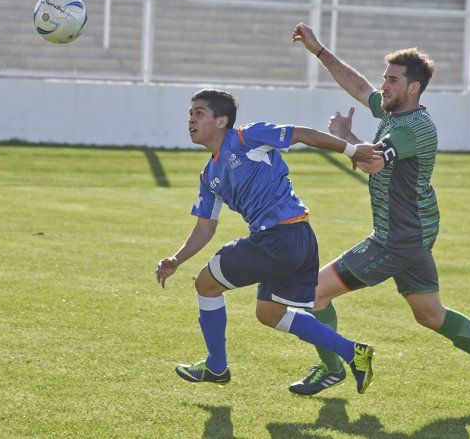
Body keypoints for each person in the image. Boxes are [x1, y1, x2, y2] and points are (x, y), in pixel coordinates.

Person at [288, 22, 470, 406]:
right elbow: (357, 86)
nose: (382, 86)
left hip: (396, 238)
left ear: (413, 88)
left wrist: (344, 138)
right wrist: (318, 50)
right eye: (384, 78)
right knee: (431, 315)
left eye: (391, 80)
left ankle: (335, 367)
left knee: (312, 292)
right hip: (412, 235)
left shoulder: (413, 129)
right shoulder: (392, 114)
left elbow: (370, 163)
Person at [156, 88, 382, 393]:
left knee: (207, 284)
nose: (191, 120)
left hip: (281, 238)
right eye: (190, 114)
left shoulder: (247, 137)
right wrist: (176, 259)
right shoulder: (209, 174)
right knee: (269, 313)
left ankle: (216, 366)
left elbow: (300, 133)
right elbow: (204, 228)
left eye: (199, 113)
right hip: (293, 240)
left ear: (221, 120)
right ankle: (352, 352)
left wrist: (352, 151)